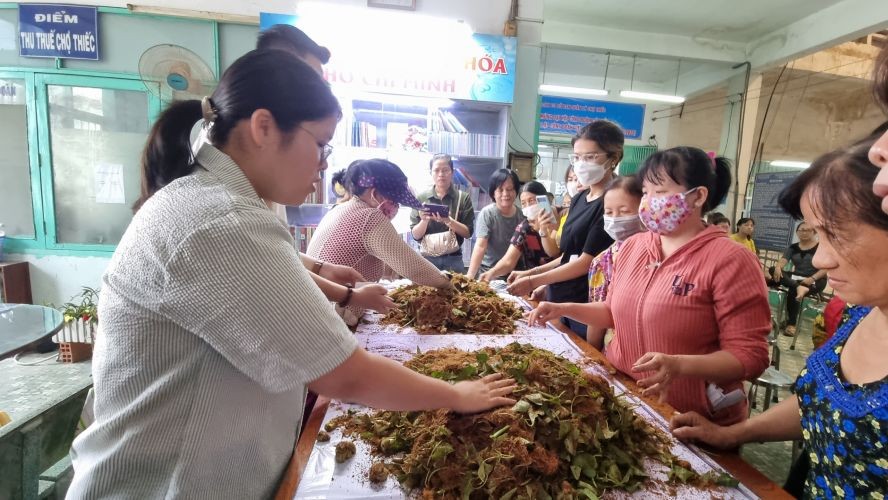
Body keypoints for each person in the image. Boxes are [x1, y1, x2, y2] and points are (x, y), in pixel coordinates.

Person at [68, 51, 517, 499]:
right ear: (263, 127)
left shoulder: (218, 203)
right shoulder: (219, 221)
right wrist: (457, 394)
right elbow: (346, 375)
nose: (325, 164)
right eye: (320, 143)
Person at [670, 136, 888, 498]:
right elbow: (820, 403)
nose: (820, 259)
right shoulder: (858, 313)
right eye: (818, 235)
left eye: (839, 235)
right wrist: (732, 434)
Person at [528, 146, 770, 425]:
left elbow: (750, 356)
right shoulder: (634, 246)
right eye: (646, 192)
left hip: (690, 416)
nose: (649, 202)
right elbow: (613, 311)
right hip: (627, 398)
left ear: (698, 196)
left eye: (660, 193)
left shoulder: (731, 260)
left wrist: (680, 366)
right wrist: (562, 308)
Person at [307, 158, 452, 326]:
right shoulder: (370, 217)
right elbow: (413, 267)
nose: (396, 208)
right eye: (395, 201)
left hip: (317, 308)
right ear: (375, 194)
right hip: (331, 317)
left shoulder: (341, 208)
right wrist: (448, 283)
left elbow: (385, 262)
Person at [507, 121, 619, 338]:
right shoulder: (579, 199)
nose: (581, 164)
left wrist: (532, 281)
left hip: (585, 305)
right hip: (559, 299)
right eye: (577, 157)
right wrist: (532, 273)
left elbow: (586, 262)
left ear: (613, 158)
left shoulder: (611, 204)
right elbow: (568, 256)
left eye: (591, 157)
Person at [584, 175, 646, 348]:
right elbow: (597, 320)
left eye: (624, 211)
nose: (615, 218)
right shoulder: (603, 262)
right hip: (616, 352)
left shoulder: (662, 252)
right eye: (609, 212)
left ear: (644, 208)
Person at [479, 181, 559, 282]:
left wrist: (542, 231)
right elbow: (508, 261)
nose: (528, 206)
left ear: (544, 199)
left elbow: (556, 254)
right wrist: (492, 272)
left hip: (560, 280)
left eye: (531, 200)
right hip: (533, 283)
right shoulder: (525, 228)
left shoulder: (564, 217)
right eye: (523, 203)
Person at [410, 154, 475, 273]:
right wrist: (424, 220)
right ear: (431, 172)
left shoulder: (462, 198)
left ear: (452, 172)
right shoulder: (421, 198)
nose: (441, 174)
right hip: (427, 259)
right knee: (427, 292)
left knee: (455, 290)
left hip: (453, 259)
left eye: (445, 170)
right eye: (436, 170)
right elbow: (415, 235)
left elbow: (468, 233)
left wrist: (448, 221)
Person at [766, 221, 827, 336]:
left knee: (793, 289)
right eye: (800, 230)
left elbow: (826, 268)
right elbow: (783, 261)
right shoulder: (793, 247)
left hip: (816, 279)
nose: (803, 233)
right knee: (773, 269)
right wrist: (779, 267)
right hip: (796, 278)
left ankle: (791, 324)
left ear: (814, 232)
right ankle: (797, 287)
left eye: (807, 230)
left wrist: (812, 278)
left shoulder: (821, 247)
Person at [467, 169, 526, 279]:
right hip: (489, 272)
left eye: (510, 189)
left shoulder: (522, 216)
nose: (505, 194)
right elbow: (480, 246)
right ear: (493, 192)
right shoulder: (487, 214)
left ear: (516, 191)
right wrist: (470, 275)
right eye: (500, 190)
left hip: (514, 272)